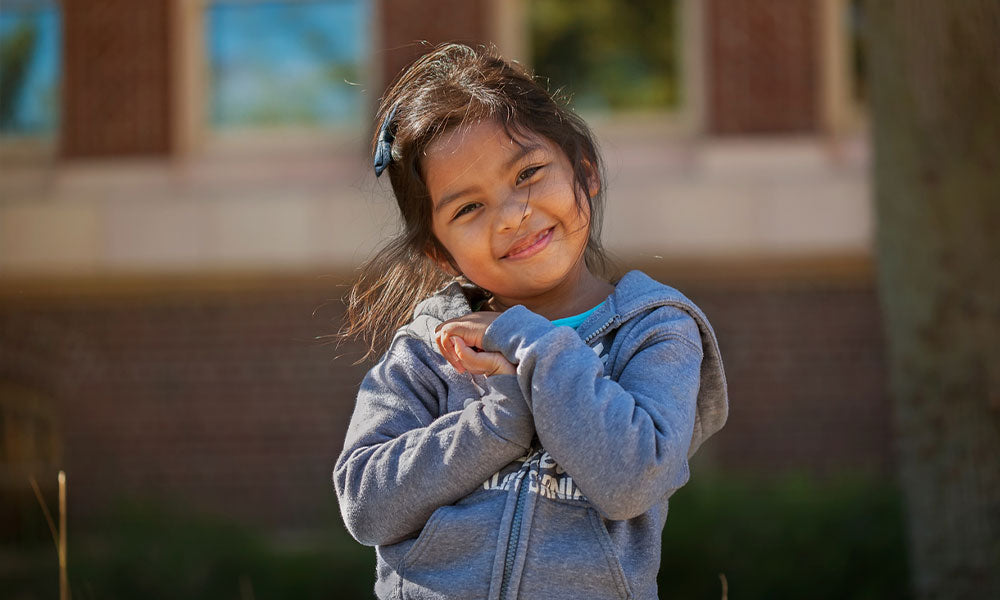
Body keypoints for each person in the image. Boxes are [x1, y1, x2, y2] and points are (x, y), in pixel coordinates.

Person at [334, 43, 728, 600]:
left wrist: (535, 346)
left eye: (528, 173)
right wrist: (495, 425)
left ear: (585, 172)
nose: (512, 215)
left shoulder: (653, 330)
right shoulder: (428, 349)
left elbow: (632, 479)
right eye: (468, 208)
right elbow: (365, 504)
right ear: (441, 254)